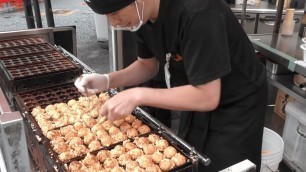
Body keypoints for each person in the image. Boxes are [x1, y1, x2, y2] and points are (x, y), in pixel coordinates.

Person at [74, 0, 267, 171]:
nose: (113, 22)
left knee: (225, 164)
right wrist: (107, 80)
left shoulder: (198, 12)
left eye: (114, 13)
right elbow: (147, 65)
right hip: (195, 91)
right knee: (192, 156)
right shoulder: (143, 15)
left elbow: (208, 96)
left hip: (237, 103)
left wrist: (138, 95)